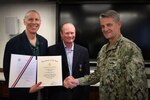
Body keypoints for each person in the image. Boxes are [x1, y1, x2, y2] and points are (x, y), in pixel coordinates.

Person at [64, 10, 148, 100]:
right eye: (102, 26)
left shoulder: (130, 49)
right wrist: (76, 81)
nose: (105, 29)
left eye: (109, 25)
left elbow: (138, 89)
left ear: (119, 24)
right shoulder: (103, 49)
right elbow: (97, 75)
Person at [3, 10, 48, 100]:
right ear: (24, 21)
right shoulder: (12, 43)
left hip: (40, 91)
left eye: (37, 19)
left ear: (40, 22)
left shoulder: (44, 41)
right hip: (21, 94)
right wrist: (27, 90)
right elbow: (7, 72)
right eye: (30, 19)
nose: (34, 22)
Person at [46, 22, 90, 100]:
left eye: (72, 33)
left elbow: (87, 76)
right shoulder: (51, 50)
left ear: (75, 33)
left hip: (78, 94)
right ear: (61, 34)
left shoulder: (84, 51)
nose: (70, 35)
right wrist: (62, 83)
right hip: (58, 94)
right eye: (67, 33)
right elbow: (49, 76)